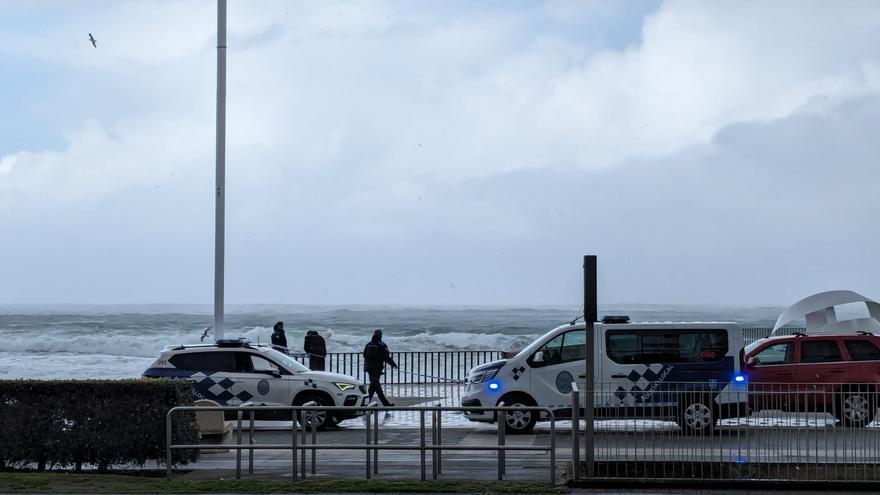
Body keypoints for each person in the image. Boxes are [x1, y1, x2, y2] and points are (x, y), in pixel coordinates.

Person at [363, 329, 398, 406]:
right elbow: (386, 357)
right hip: (377, 369)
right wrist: (394, 364)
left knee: (374, 386)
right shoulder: (382, 345)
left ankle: (366, 404)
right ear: (381, 335)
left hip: (369, 369)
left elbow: (364, 355)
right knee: (375, 386)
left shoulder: (368, 344)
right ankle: (365, 404)